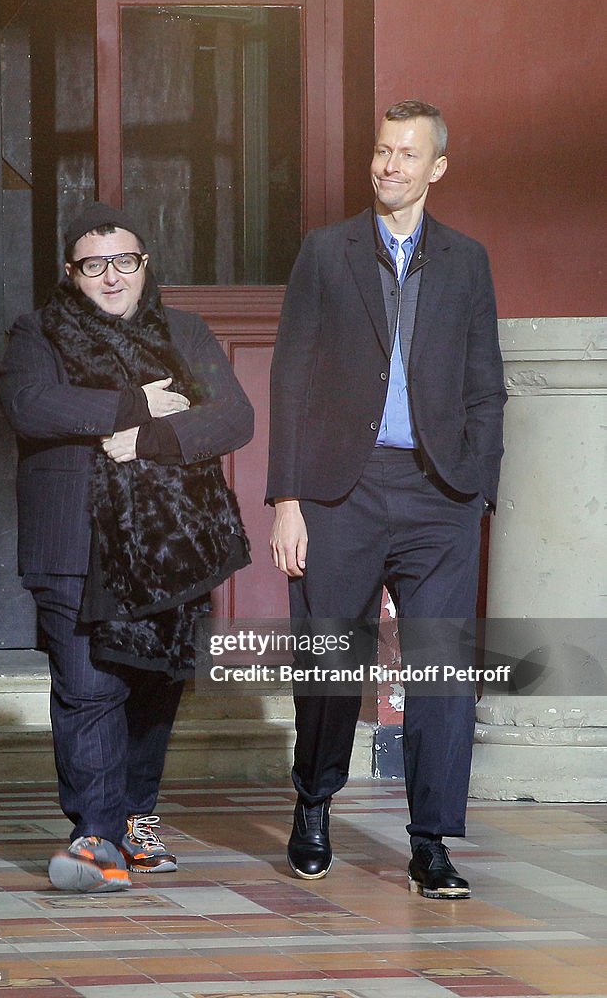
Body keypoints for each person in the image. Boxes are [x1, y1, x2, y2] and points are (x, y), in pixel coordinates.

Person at [267, 100, 506, 899]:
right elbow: (290, 377)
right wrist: (286, 499)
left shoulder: (467, 260)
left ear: (436, 168)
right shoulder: (325, 253)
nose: (389, 165)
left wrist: (477, 490)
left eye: (407, 154)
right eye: (381, 151)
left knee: (441, 670)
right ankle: (313, 805)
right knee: (332, 661)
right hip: (342, 489)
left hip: (440, 494)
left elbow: (485, 384)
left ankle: (431, 840)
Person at [0, 202, 253, 893]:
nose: (110, 277)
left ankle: (134, 816)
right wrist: (135, 404)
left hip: (171, 543)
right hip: (73, 540)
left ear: (143, 265)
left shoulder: (186, 331)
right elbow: (30, 406)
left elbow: (232, 417)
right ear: (71, 272)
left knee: (152, 686)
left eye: (123, 261)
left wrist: (145, 441)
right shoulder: (37, 331)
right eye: (93, 264)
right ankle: (94, 837)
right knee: (87, 689)